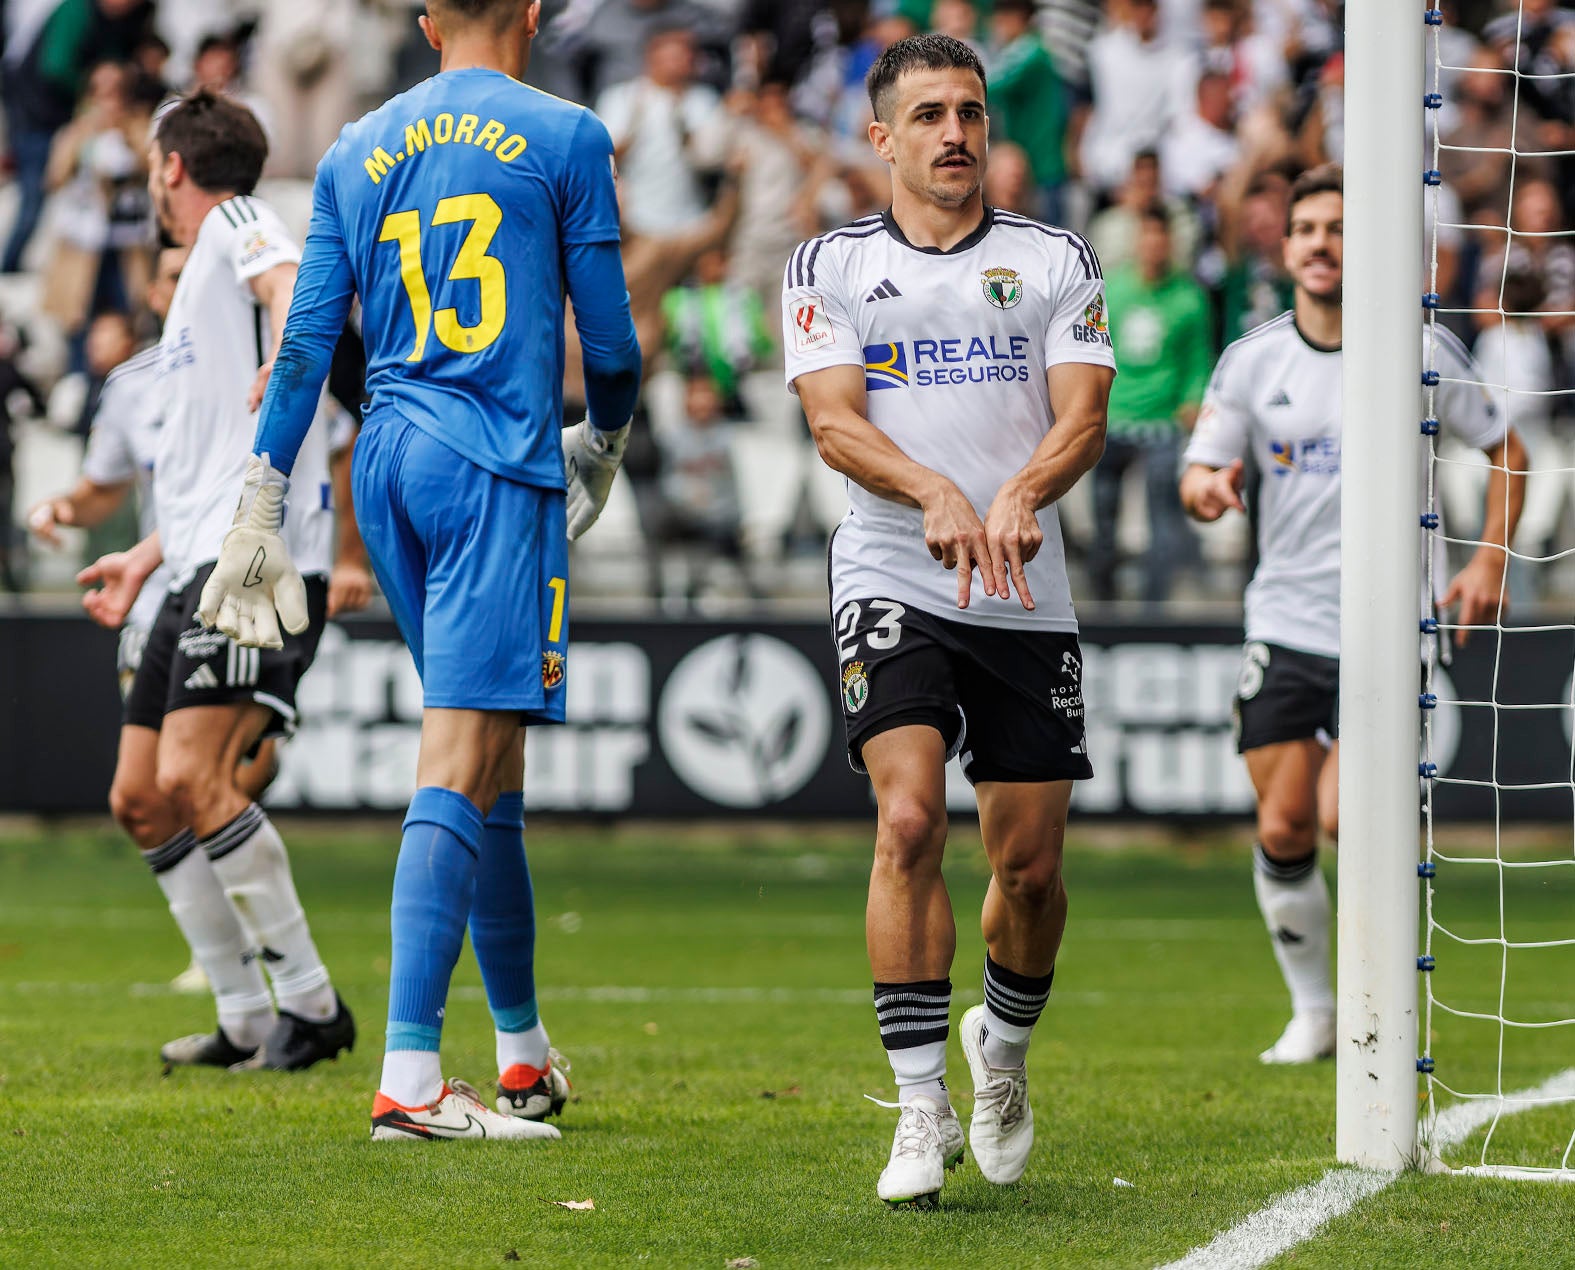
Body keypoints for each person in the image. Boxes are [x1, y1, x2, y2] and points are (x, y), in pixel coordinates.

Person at [196, 0, 641, 1142]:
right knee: (462, 753)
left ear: (427, 23)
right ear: (533, 15)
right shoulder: (567, 133)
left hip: (386, 463)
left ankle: (524, 1053)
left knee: (489, 762)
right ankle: (408, 1077)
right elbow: (614, 345)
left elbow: (304, 339)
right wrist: (605, 440)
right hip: (493, 458)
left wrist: (262, 490)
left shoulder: (354, 144)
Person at [784, 33, 1115, 1207]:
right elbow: (833, 423)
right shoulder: (825, 264)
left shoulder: (1055, 256)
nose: (955, 133)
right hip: (892, 570)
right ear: (882, 136)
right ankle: (919, 1102)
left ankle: (1002, 1056)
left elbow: (1082, 418)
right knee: (911, 817)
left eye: (969, 111)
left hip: (1024, 589)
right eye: (928, 114)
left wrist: (1019, 491)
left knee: (1027, 868)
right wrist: (932, 491)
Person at [1179, 165, 1527, 1064]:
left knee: (1347, 819)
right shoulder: (1252, 358)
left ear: (1359, 244)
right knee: (1283, 825)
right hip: (1286, 621)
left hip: (1392, 625)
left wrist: (1489, 556)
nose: (1321, 242)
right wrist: (1208, 488)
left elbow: (1508, 448)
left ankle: (1383, 1009)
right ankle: (1315, 1011)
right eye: (1305, 228)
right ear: (1284, 245)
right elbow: (1197, 469)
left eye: (1336, 227)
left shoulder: (1417, 350)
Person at [75, 91, 355, 1074]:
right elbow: (210, 458)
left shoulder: (240, 218)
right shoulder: (196, 284)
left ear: (171, 168)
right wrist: (143, 555)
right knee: (141, 796)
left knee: (195, 778)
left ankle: (312, 1005)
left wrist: (288, 346)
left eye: (155, 164)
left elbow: (288, 282)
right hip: (196, 557)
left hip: (257, 558)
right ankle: (243, 1016)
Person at [1091, 202, 1211, 605]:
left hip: (1162, 420)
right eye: (1148, 237)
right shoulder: (1113, 290)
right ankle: (1101, 598)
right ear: (1138, 241)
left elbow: (1198, 359)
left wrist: (1192, 399)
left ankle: (1153, 606)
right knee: (1103, 513)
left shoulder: (1189, 297)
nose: (1154, 246)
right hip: (1115, 416)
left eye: (1162, 239)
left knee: (1162, 518)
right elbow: (1093, 349)